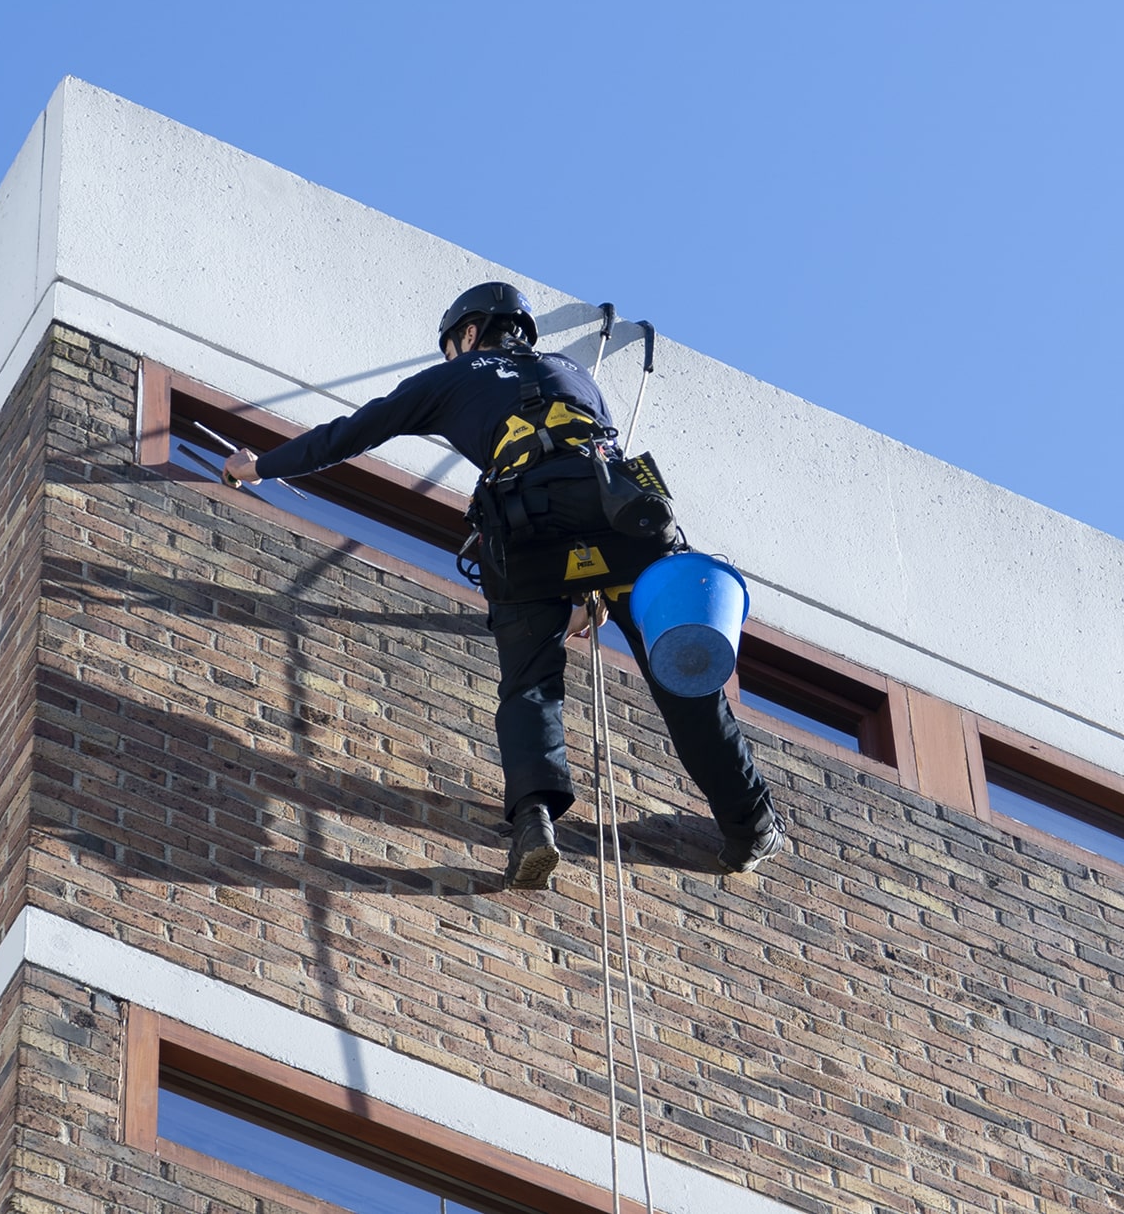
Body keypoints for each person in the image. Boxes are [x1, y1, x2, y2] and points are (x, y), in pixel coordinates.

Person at [224, 283, 785, 889]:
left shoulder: (451, 378)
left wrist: (258, 466)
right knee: (685, 675)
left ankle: (533, 823)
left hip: (524, 535)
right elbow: (587, 473)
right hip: (626, 526)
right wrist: (589, 589)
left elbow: (350, 434)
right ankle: (749, 824)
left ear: (468, 334)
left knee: (529, 688)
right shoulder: (574, 372)